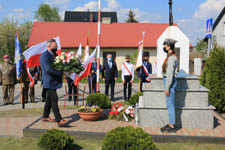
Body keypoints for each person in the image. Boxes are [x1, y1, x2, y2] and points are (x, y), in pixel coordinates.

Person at [40, 39, 70, 127]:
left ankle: (45, 116)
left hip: (54, 81)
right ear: (49, 46)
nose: (56, 47)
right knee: (54, 100)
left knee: (49, 99)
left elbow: (58, 65)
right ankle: (59, 120)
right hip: (49, 81)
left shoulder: (55, 55)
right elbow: (48, 69)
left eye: (56, 46)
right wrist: (59, 73)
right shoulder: (45, 55)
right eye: (55, 46)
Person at [160, 38, 179, 133]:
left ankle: (172, 126)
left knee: (170, 105)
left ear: (169, 46)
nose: (164, 47)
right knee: (169, 104)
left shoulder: (171, 58)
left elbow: (170, 74)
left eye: (165, 45)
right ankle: (171, 124)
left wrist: (167, 88)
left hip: (169, 82)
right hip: (168, 81)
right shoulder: (170, 56)